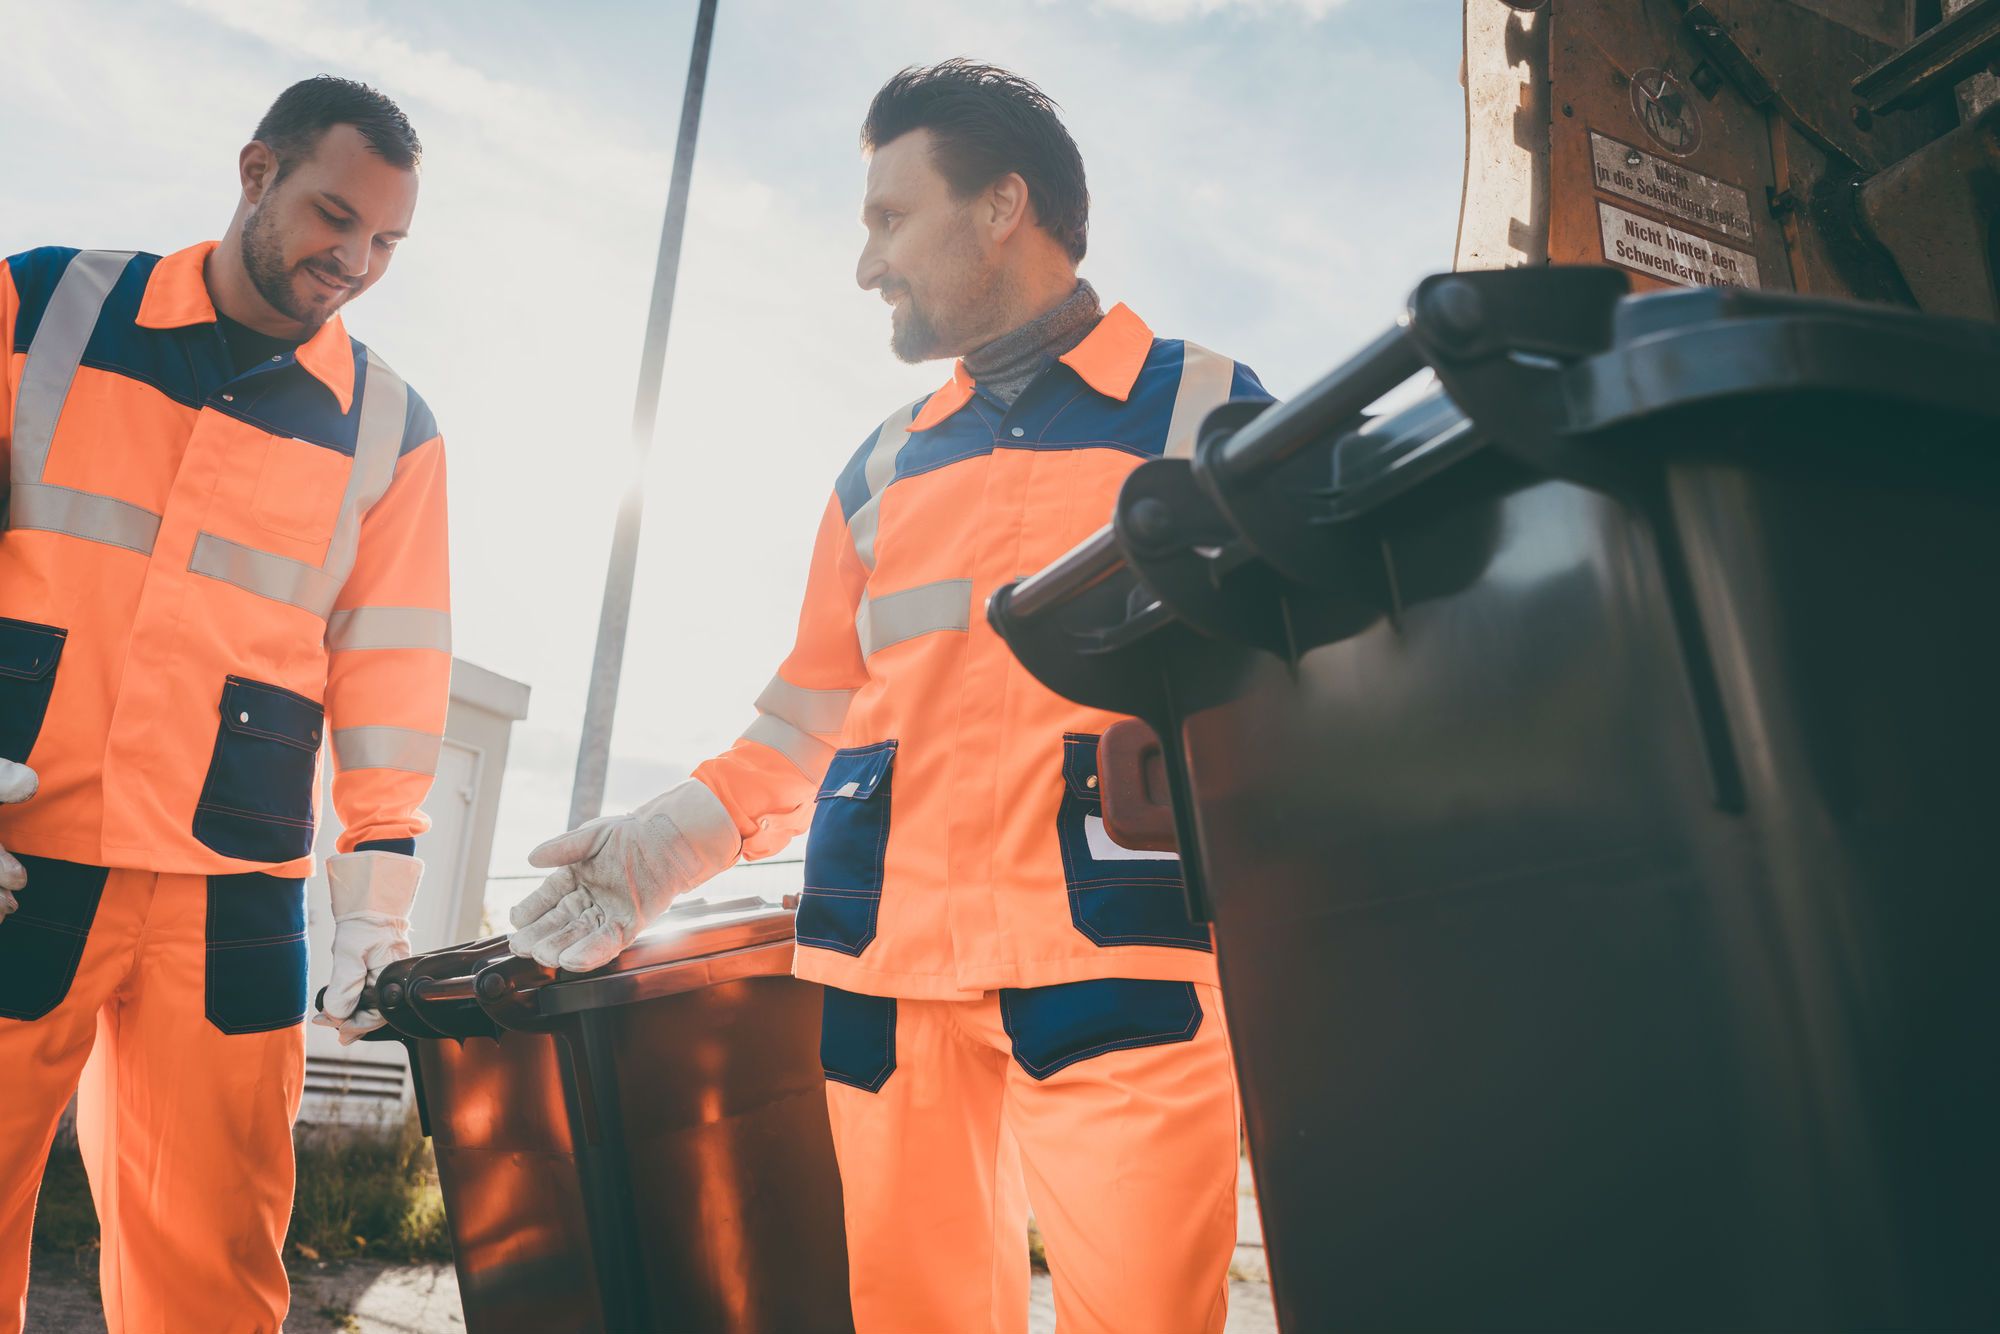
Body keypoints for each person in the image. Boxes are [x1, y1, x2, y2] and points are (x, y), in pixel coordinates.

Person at [511, 60, 1269, 1333]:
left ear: (999, 205)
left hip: (1120, 960)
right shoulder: (881, 463)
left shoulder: (1207, 411)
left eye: (886, 218)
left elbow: (1301, 681)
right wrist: (663, 847)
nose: (864, 263)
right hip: (887, 980)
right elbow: (806, 716)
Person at [0, 76, 451, 1333]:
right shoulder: (41, 307)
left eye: (386, 242)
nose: (354, 260)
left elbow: (392, 670)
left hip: (232, 887)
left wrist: (376, 896)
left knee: (216, 1260)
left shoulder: (392, 430)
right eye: (333, 215)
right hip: (26, 850)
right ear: (255, 172)